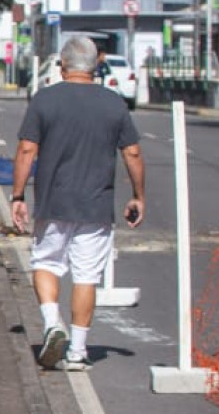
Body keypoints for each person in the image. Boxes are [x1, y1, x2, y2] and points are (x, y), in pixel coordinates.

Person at [9, 36, 145, 371]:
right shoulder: (114, 103)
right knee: (86, 276)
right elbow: (132, 152)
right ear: (96, 65)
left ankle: (53, 322)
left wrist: (17, 195)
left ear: (63, 65)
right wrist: (139, 196)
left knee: (46, 263)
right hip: (96, 205)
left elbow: (27, 150)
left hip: (53, 202)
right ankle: (77, 352)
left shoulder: (45, 99)